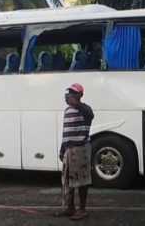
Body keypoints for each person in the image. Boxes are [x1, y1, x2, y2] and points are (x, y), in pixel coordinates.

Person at [55, 83, 94, 221]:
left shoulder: (85, 109)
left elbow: (91, 115)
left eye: (72, 93)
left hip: (80, 148)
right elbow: (66, 132)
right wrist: (62, 148)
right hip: (68, 149)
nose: (69, 95)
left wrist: (77, 104)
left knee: (81, 180)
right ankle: (70, 208)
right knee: (67, 181)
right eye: (68, 93)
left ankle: (82, 209)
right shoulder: (67, 111)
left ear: (80, 95)